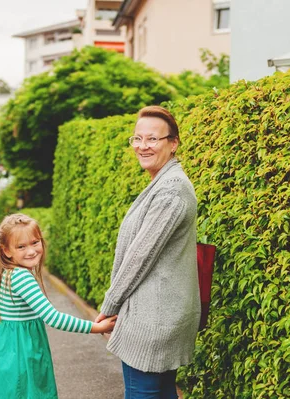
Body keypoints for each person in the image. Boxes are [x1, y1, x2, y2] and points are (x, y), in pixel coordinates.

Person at [96, 106, 200, 398]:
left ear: (173, 143)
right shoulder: (163, 182)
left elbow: (139, 257)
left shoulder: (170, 191)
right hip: (160, 315)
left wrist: (110, 306)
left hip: (153, 320)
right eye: (137, 139)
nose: (143, 146)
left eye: (152, 139)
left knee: (142, 392)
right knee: (162, 391)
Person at [0, 213, 117, 399]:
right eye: (21, 246)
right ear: (6, 250)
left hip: (7, 352)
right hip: (21, 355)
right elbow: (53, 317)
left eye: (35, 242)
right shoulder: (21, 277)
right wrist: (97, 327)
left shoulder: (8, 272)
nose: (31, 251)